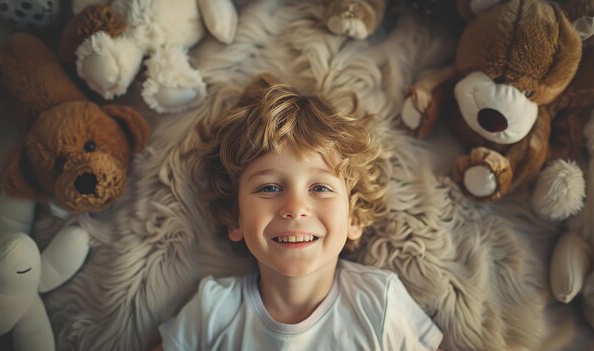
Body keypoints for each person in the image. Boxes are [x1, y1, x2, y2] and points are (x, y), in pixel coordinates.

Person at [154, 75, 444, 350]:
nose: (294, 208)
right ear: (235, 218)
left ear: (354, 217)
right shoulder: (212, 311)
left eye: (320, 187)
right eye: (268, 188)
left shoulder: (380, 301)